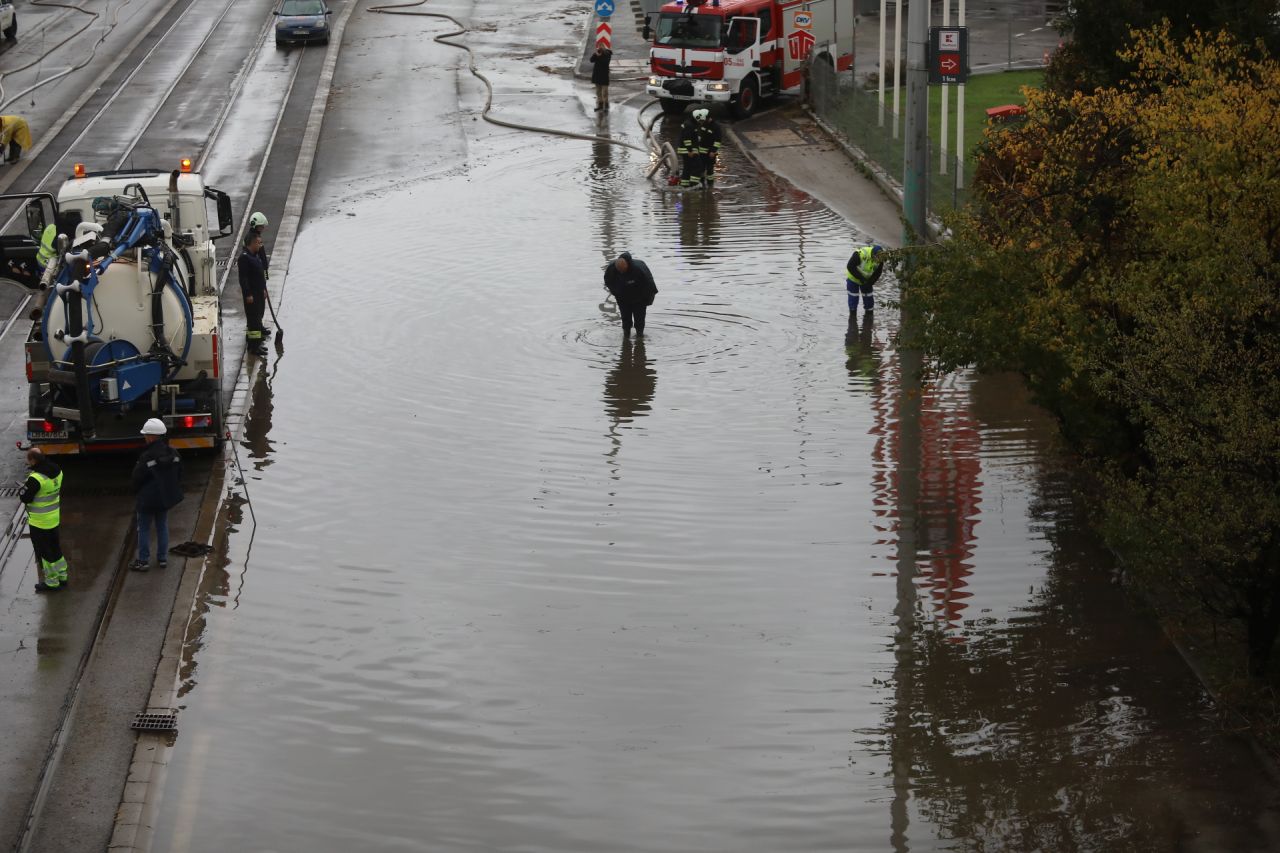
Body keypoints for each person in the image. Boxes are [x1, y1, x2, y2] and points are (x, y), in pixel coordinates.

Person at [130, 418, 183, 572]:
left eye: (146, 435)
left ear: (152, 437)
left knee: (144, 528)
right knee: (162, 526)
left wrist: (136, 491)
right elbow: (179, 473)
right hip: (165, 498)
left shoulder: (147, 456)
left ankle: (143, 560)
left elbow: (137, 477)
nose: (145, 438)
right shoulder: (174, 453)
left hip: (147, 499)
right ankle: (162, 558)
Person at [20, 448, 69, 593]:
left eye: (28, 459)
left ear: (33, 460)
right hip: (53, 517)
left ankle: (51, 582)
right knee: (55, 548)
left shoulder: (36, 478)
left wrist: (23, 489)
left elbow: (25, 498)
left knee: (45, 553)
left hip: (39, 522)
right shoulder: (57, 470)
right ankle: (62, 576)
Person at [603, 252, 658, 336]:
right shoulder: (611, 268)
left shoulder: (639, 268)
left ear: (627, 265)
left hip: (639, 298)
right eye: (619, 271)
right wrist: (616, 293)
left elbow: (651, 286)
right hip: (623, 298)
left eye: (623, 271)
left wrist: (648, 300)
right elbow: (608, 282)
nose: (621, 273)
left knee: (639, 320)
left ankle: (639, 338)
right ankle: (626, 335)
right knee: (626, 320)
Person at [238, 232, 269, 355]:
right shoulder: (244, 258)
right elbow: (243, 279)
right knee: (254, 321)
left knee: (258, 317)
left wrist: (264, 289)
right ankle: (254, 347)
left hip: (259, 292)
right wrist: (248, 294)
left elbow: (260, 275)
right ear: (252, 243)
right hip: (252, 295)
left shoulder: (254, 256)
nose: (260, 245)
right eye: (258, 243)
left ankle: (256, 344)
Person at [248, 212, 273, 338]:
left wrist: (266, 276)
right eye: (262, 226)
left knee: (261, 307)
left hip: (261, 276)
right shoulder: (251, 239)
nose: (263, 229)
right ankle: (254, 340)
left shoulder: (256, 236)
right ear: (256, 225)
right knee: (256, 310)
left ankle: (260, 327)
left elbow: (262, 258)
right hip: (256, 279)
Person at [845, 243, 885, 313]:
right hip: (853, 279)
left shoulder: (881, 260)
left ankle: (869, 318)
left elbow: (878, 273)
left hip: (867, 281)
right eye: (877, 258)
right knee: (853, 301)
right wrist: (862, 279)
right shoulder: (860, 255)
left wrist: (870, 283)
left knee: (869, 303)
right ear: (873, 255)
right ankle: (853, 317)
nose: (878, 261)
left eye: (879, 259)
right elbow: (850, 266)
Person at [692, 108, 722, 188]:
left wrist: (713, 151)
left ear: (709, 118)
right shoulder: (703, 124)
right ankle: (702, 184)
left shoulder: (716, 127)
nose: (702, 122)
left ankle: (710, 184)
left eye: (704, 120)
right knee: (701, 169)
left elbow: (718, 141)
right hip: (701, 153)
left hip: (710, 153)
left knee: (709, 170)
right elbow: (699, 136)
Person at [677, 111, 702, 188]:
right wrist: (690, 151)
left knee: (687, 168)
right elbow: (687, 139)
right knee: (697, 166)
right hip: (688, 151)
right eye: (700, 120)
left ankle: (685, 185)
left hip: (686, 150)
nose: (701, 122)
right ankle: (694, 184)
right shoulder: (689, 125)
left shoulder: (690, 124)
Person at [589, 44, 612, 112]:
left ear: (604, 47)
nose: (600, 48)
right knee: (598, 92)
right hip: (597, 75)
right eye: (599, 47)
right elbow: (591, 60)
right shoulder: (597, 53)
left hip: (604, 76)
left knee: (604, 92)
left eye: (601, 47)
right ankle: (600, 105)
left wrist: (600, 56)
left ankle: (606, 105)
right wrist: (595, 55)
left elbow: (605, 63)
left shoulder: (608, 54)